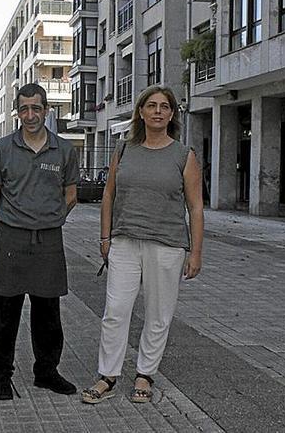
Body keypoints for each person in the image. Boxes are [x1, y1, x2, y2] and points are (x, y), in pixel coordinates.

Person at [81, 85, 203, 405]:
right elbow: (109, 194)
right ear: (141, 112)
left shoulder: (183, 155)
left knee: (158, 315)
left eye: (165, 106)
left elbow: (196, 208)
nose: (158, 111)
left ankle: (145, 374)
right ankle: (108, 375)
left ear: (172, 114)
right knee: (116, 311)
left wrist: (196, 252)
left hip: (167, 245)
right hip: (124, 241)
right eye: (151, 105)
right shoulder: (123, 150)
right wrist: (105, 237)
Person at [0, 83, 79, 400]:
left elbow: (71, 195)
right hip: (11, 239)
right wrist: (12, 224)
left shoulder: (64, 150)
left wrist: (50, 219)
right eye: (24, 108)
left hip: (49, 240)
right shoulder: (1, 148)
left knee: (48, 312)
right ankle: (1, 376)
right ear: (17, 112)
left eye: (36, 108)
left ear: (46, 110)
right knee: (3, 311)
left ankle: (47, 373)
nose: (30, 114)